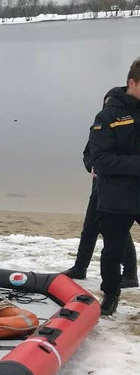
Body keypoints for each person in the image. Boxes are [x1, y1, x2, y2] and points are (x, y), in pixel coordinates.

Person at [62, 86, 137, 287]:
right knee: (90, 228)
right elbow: (88, 153)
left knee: (118, 232)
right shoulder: (101, 123)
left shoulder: (126, 124)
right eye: (105, 102)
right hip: (99, 184)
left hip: (120, 188)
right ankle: (80, 267)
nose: (107, 105)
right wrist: (91, 167)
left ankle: (130, 273)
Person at [88, 58, 140, 316]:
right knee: (113, 250)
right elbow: (101, 160)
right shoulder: (107, 115)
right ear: (132, 83)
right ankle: (111, 295)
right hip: (116, 197)